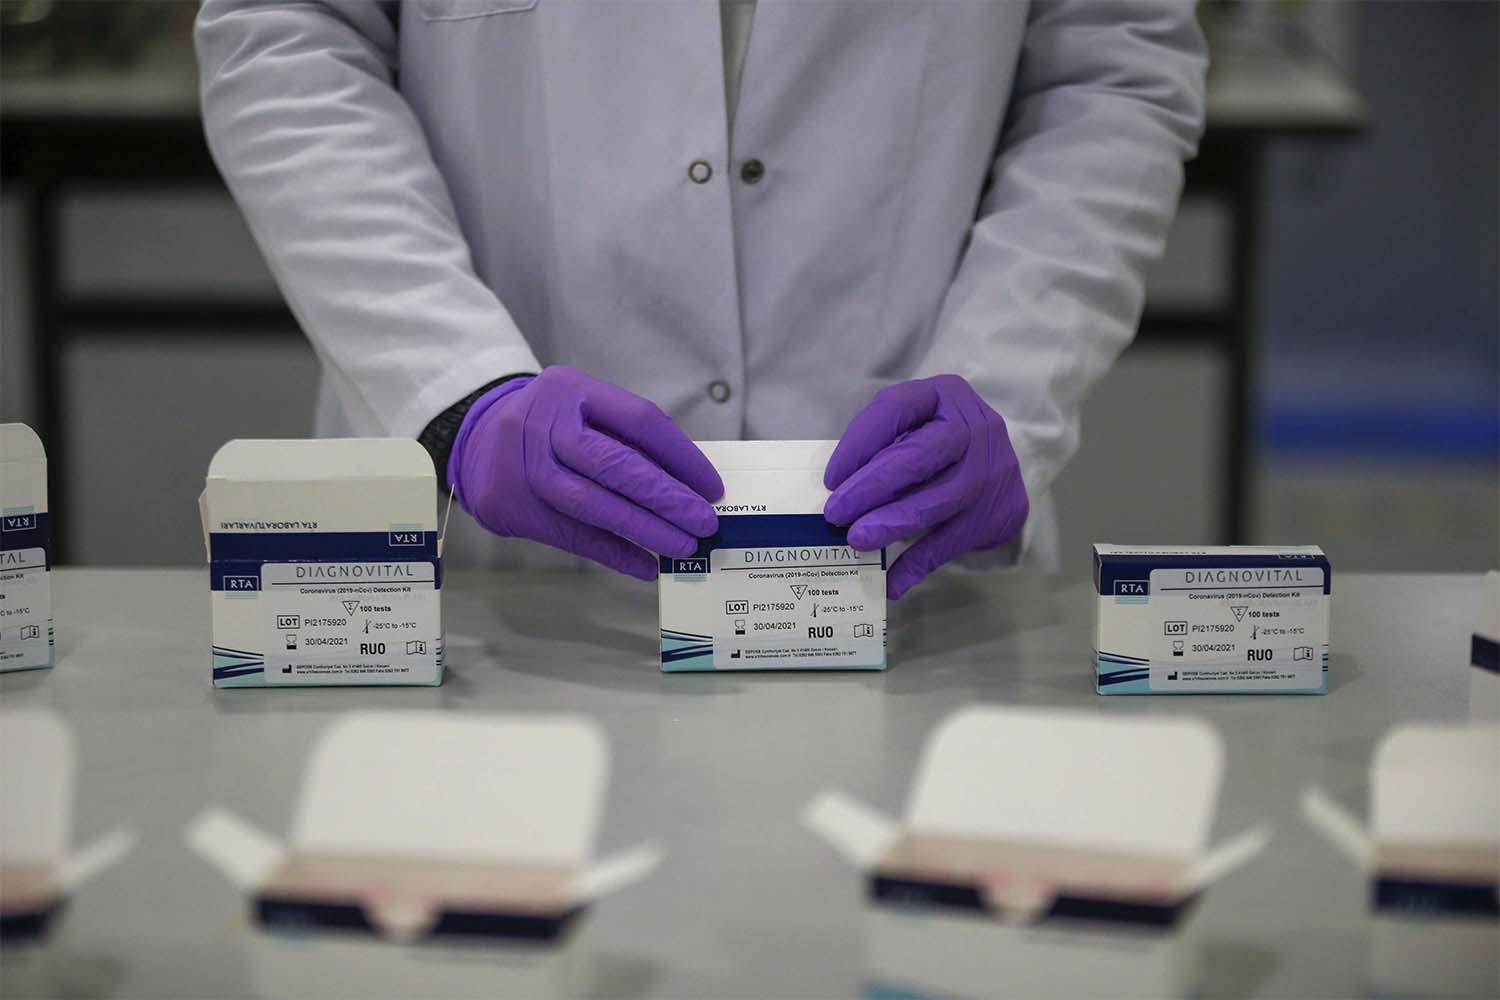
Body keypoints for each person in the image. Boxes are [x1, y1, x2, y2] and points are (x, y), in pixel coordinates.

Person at [195, 0, 1206, 598]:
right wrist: (456, 393)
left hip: (903, 574)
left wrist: (1008, 388)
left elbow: (1112, 73)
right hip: (473, 580)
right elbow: (289, 29)